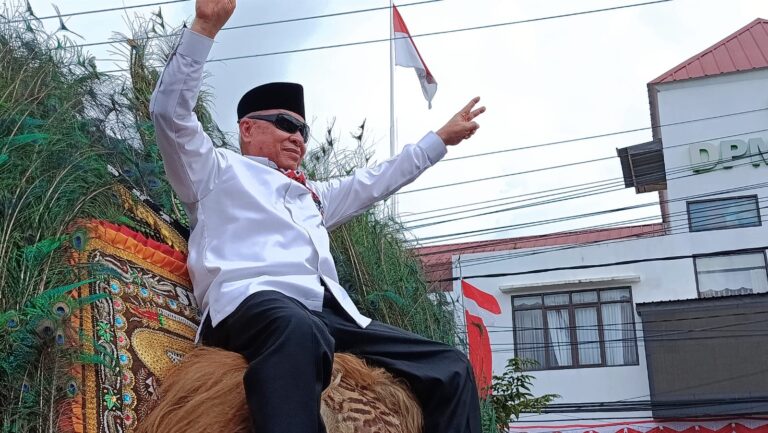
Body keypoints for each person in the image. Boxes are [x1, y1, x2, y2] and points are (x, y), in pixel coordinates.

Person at [149, 0, 486, 432]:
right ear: (247, 129)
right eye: (285, 124)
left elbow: (376, 182)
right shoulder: (215, 171)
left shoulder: (314, 196)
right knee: (300, 331)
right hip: (255, 301)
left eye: (303, 130)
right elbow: (170, 114)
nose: (298, 138)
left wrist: (440, 139)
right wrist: (204, 28)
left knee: (451, 366)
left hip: (328, 314)